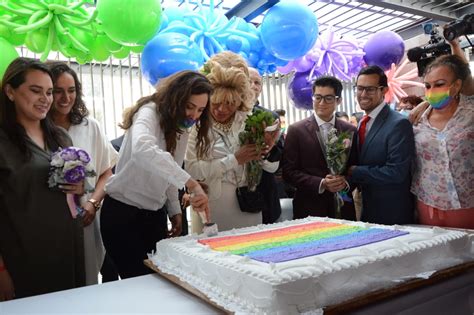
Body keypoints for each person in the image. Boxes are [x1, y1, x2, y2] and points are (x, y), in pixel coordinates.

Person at [100, 70, 212, 279]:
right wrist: (192, 184)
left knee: (160, 281)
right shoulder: (149, 112)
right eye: (189, 107)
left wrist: (174, 211)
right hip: (122, 214)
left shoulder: (182, 127)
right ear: (176, 98)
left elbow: (170, 169)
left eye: (200, 110)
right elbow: (143, 148)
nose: (194, 116)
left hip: (154, 216)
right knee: (136, 282)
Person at [0, 57, 85, 300]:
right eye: (36, 91)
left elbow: (72, 194)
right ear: (10, 91)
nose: (46, 99)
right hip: (23, 254)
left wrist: (79, 188)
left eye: (49, 92)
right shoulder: (3, 142)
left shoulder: (60, 138)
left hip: (66, 247)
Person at [47, 62, 118, 285]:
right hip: (47, 223)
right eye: (57, 91)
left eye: (71, 90)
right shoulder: (36, 128)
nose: (65, 98)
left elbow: (107, 172)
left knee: (85, 281)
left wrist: (93, 203)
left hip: (84, 219)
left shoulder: (90, 127)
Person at [185, 59, 272, 232]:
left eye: (230, 104)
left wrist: (266, 152)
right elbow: (190, 170)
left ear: (240, 101)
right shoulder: (195, 126)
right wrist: (234, 159)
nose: (221, 110)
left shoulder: (249, 121)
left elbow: (270, 168)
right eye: (215, 104)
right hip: (211, 206)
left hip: (248, 206)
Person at [411, 54, 473, 229]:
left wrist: (454, 46)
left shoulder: (471, 113)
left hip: (468, 204)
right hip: (428, 204)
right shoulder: (416, 120)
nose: (432, 91)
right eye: (428, 86)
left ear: (457, 85)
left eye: (439, 85)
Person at [282, 75, 357, 220]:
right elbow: (288, 172)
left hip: (344, 207)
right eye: (318, 97)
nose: (322, 103)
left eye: (328, 98)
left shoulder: (350, 130)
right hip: (309, 207)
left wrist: (345, 182)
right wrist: (321, 183)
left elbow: (355, 166)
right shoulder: (296, 130)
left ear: (338, 100)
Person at [348, 66, 415, 225]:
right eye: (359, 88)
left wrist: (355, 171)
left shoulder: (398, 124)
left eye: (370, 89)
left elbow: (397, 172)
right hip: (368, 208)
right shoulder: (362, 123)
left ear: (384, 90)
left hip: (392, 212)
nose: (363, 94)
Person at [248, 67, 283, 224]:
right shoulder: (227, 113)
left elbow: (279, 153)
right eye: (249, 81)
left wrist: (266, 151)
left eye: (258, 83)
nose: (254, 86)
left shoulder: (270, 117)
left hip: (265, 189)